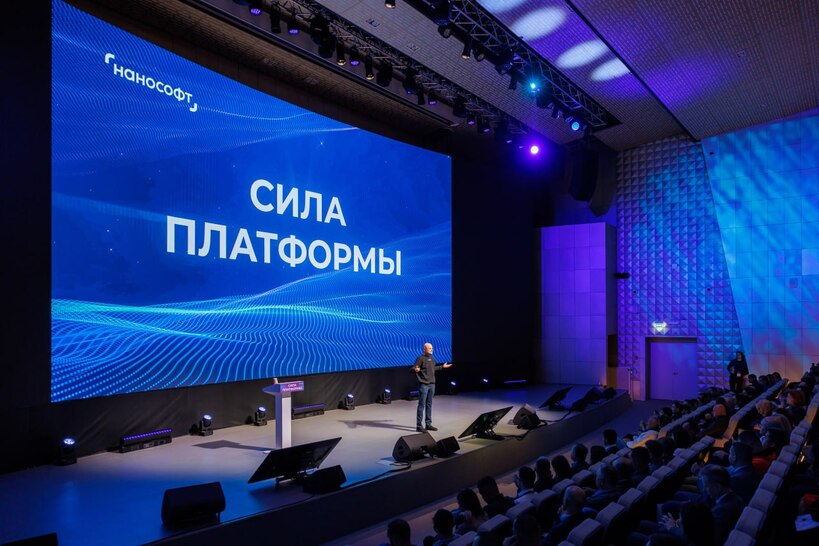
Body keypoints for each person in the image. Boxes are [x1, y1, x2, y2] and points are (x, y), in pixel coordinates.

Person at [412, 342, 452, 432]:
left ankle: (428, 424)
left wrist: (442, 367)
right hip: (424, 385)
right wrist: (415, 369)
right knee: (421, 405)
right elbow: (413, 369)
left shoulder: (432, 358)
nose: (431, 350)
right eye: (430, 348)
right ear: (424, 349)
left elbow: (433, 369)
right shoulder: (420, 358)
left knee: (429, 404)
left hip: (432, 385)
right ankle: (419, 426)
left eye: (432, 348)